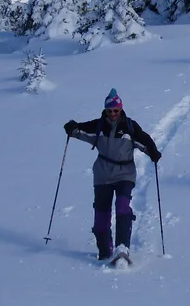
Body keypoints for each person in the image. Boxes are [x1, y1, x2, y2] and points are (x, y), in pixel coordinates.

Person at [63, 88, 162, 262]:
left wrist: (152, 152)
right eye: (109, 110)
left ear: (121, 109)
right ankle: (104, 251)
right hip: (102, 174)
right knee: (101, 214)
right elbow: (80, 130)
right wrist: (72, 128)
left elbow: (144, 140)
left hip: (125, 173)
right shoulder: (98, 126)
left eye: (116, 110)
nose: (113, 113)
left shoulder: (130, 126)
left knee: (123, 207)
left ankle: (122, 247)